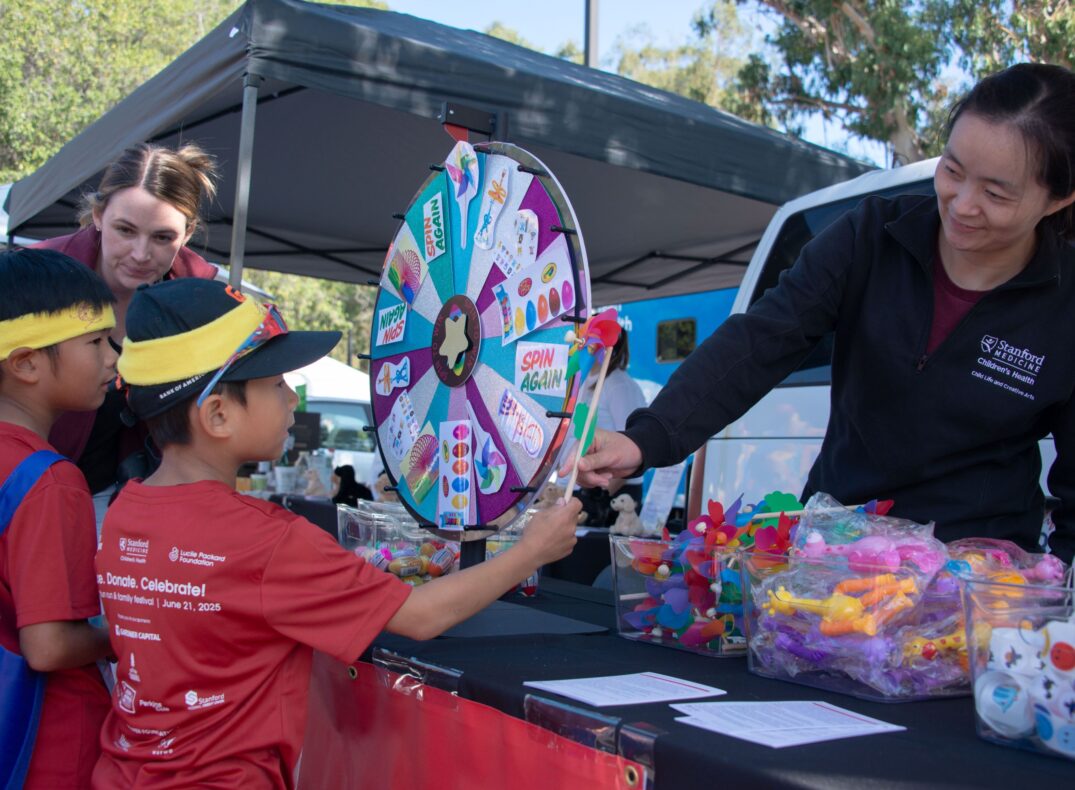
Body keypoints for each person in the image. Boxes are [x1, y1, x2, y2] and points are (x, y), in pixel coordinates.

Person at [566, 63, 1075, 563]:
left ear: (1059, 199)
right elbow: (760, 341)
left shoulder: (1065, 300)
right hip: (839, 558)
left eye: (995, 193)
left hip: (979, 577)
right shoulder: (872, 237)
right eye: (953, 170)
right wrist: (645, 438)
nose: (962, 205)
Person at [93, 279, 581, 787]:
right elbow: (420, 615)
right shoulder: (267, 541)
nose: (291, 400)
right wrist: (531, 550)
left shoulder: (124, 511)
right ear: (218, 413)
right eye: (276, 384)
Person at [34, 142, 220, 518]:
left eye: (162, 237)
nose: (140, 253)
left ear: (187, 234)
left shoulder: (201, 301)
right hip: (23, 493)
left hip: (125, 506)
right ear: (99, 215)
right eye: (126, 230)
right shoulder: (34, 279)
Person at [0, 248, 117, 787]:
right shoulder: (50, 480)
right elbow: (48, 646)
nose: (113, 357)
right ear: (25, 363)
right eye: (95, 342)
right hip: (44, 741)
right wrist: (133, 629)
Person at [573, 329, 647, 527]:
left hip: (615, 493)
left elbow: (633, 442)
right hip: (587, 488)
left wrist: (602, 494)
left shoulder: (619, 385)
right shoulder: (584, 382)